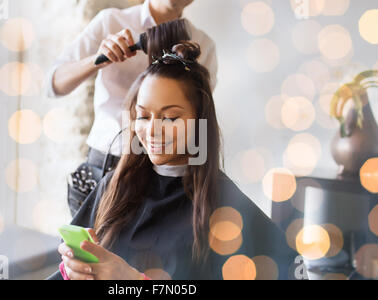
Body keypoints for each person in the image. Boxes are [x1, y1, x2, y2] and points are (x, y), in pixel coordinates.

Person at [47, 42, 297, 280]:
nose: (153, 130)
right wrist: (77, 269)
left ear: (200, 121)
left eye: (170, 118)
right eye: (143, 116)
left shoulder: (226, 206)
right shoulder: (114, 186)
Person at [45, 0, 218, 216]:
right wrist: (97, 59)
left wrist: (200, 183)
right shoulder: (112, 21)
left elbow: (200, 122)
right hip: (105, 166)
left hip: (162, 176)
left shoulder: (203, 45)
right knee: (86, 247)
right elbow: (53, 84)